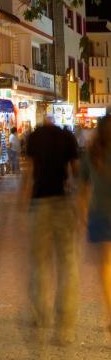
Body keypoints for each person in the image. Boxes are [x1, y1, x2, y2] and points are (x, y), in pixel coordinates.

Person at [20, 115, 79, 346]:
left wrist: (22, 200)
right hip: (63, 203)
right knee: (67, 265)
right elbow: (76, 171)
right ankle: (64, 328)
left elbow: (29, 172)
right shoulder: (67, 137)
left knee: (39, 263)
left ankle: (40, 315)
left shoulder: (34, 137)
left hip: (39, 204)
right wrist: (81, 201)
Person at [79, 115, 111, 336]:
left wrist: (81, 213)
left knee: (106, 265)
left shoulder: (91, 154)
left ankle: (110, 312)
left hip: (99, 214)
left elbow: (81, 186)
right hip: (100, 213)